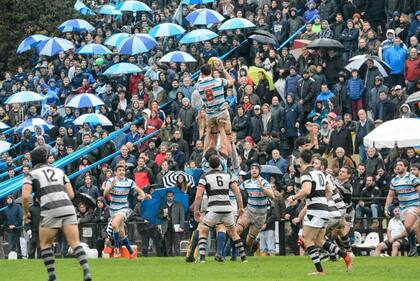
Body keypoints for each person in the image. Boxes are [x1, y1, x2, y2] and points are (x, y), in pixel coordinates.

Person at [21, 147, 92, 281]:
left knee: (45, 244)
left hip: (49, 208)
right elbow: (71, 194)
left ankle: (52, 276)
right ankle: (86, 271)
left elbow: (25, 197)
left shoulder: (31, 174)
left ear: (33, 161)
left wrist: (25, 214)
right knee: (75, 243)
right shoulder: (59, 171)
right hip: (68, 208)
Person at [286, 149, 352, 275]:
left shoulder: (306, 173)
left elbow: (306, 190)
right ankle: (345, 255)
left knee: (307, 240)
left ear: (300, 160)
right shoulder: (320, 173)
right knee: (319, 241)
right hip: (325, 209)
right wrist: (322, 201)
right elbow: (329, 191)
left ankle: (320, 271)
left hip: (315, 210)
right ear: (311, 160)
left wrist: (294, 197)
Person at [193, 155, 247, 263]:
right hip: (227, 208)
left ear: (208, 165)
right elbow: (237, 192)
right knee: (233, 233)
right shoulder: (228, 175)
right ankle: (244, 257)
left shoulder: (205, 176)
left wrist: (196, 211)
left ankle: (202, 258)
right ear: (219, 164)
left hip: (213, 208)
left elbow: (198, 196)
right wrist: (241, 207)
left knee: (203, 230)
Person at [103, 164, 151, 258]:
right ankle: (131, 252)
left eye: (123, 170)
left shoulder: (129, 182)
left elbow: (139, 190)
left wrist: (143, 195)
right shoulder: (110, 181)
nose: (122, 172)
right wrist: (110, 188)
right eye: (119, 170)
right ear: (115, 172)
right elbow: (105, 194)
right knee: (121, 232)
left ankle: (116, 249)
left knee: (114, 224)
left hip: (124, 208)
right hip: (113, 209)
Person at [235, 163, 275, 255]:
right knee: (237, 230)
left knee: (249, 239)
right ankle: (235, 253)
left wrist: (262, 188)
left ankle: (249, 250)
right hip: (249, 211)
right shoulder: (246, 182)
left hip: (260, 215)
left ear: (259, 171)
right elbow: (238, 191)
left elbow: (272, 196)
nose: (254, 170)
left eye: (256, 168)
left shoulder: (264, 182)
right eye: (252, 168)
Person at [197, 64, 234, 157]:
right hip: (221, 112)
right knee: (226, 134)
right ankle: (226, 155)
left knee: (210, 136)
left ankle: (206, 155)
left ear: (202, 73)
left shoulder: (199, 85)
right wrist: (223, 70)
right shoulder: (218, 81)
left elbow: (200, 78)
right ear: (211, 72)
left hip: (210, 114)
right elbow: (232, 81)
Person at [385, 159, 420, 257]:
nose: (398, 166)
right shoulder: (394, 180)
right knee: (409, 229)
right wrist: (386, 207)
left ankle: (413, 247)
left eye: (400, 165)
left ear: (406, 167)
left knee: (408, 226)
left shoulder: (412, 177)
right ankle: (414, 248)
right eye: (397, 165)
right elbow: (390, 195)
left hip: (413, 205)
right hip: (402, 207)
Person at [158, 191, 185, 256]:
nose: (170, 198)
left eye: (171, 196)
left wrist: (181, 226)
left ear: (173, 197)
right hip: (166, 228)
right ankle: (169, 259)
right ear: (166, 197)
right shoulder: (162, 205)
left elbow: (182, 217)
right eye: (168, 196)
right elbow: (158, 215)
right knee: (168, 246)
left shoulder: (179, 204)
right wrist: (163, 216)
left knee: (177, 246)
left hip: (176, 228)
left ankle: (177, 259)